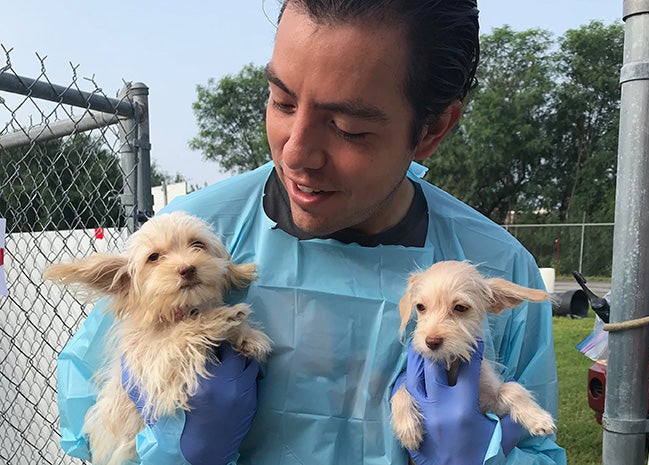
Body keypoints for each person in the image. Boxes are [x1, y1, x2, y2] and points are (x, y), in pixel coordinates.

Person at [57, 1, 567, 464]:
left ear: (431, 130)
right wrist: (174, 449)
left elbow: (539, 449)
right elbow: (93, 434)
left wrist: (480, 459)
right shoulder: (196, 238)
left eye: (347, 128)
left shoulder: (493, 266)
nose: (295, 152)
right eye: (281, 101)